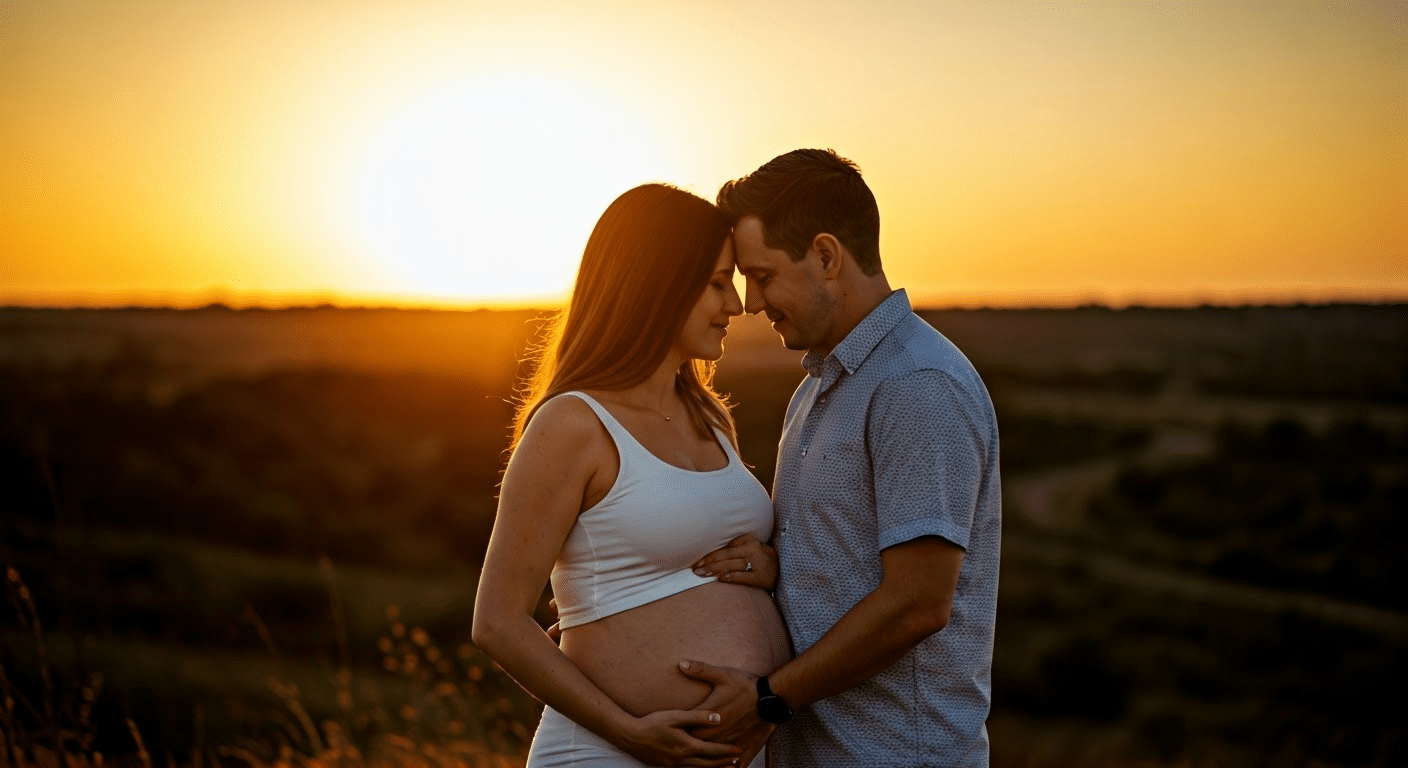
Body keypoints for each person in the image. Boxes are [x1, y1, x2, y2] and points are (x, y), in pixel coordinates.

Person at [681, 149, 1003, 767]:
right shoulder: (822, 385)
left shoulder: (918, 384)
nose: (751, 302)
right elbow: (854, 564)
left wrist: (768, 699)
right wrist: (781, 567)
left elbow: (917, 603)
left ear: (826, 256)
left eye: (763, 275)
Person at [472, 183, 790, 768]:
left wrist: (769, 568)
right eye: (718, 282)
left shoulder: (709, 415)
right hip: (606, 755)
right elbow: (498, 623)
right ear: (657, 285)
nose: (738, 306)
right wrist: (629, 733)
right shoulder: (572, 424)